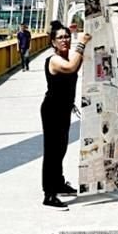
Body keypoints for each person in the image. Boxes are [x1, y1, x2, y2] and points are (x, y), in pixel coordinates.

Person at [41, 20, 91, 211]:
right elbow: (71, 68)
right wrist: (82, 43)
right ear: (53, 42)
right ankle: (49, 194)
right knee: (52, 152)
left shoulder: (69, 55)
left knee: (60, 148)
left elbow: (78, 62)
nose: (65, 40)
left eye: (67, 37)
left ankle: (59, 183)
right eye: (60, 37)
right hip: (52, 110)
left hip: (63, 109)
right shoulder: (54, 60)